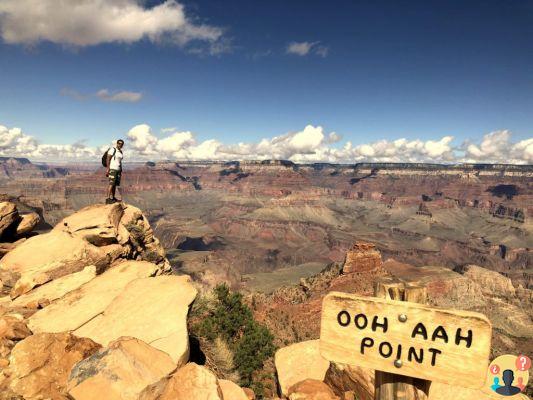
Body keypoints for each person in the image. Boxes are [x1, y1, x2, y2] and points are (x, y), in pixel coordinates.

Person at [105, 139, 124, 204]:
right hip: (112, 169)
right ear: (117, 143)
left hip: (118, 170)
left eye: (121, 144)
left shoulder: (120, 152)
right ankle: (108, 198)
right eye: (119, 143)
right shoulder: (113, 150)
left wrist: (121, 170)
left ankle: (113, 197)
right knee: (111, 183)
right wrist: (108, 169)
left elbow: (120, 161)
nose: (120, 145)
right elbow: (108, 159)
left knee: (115, 184)